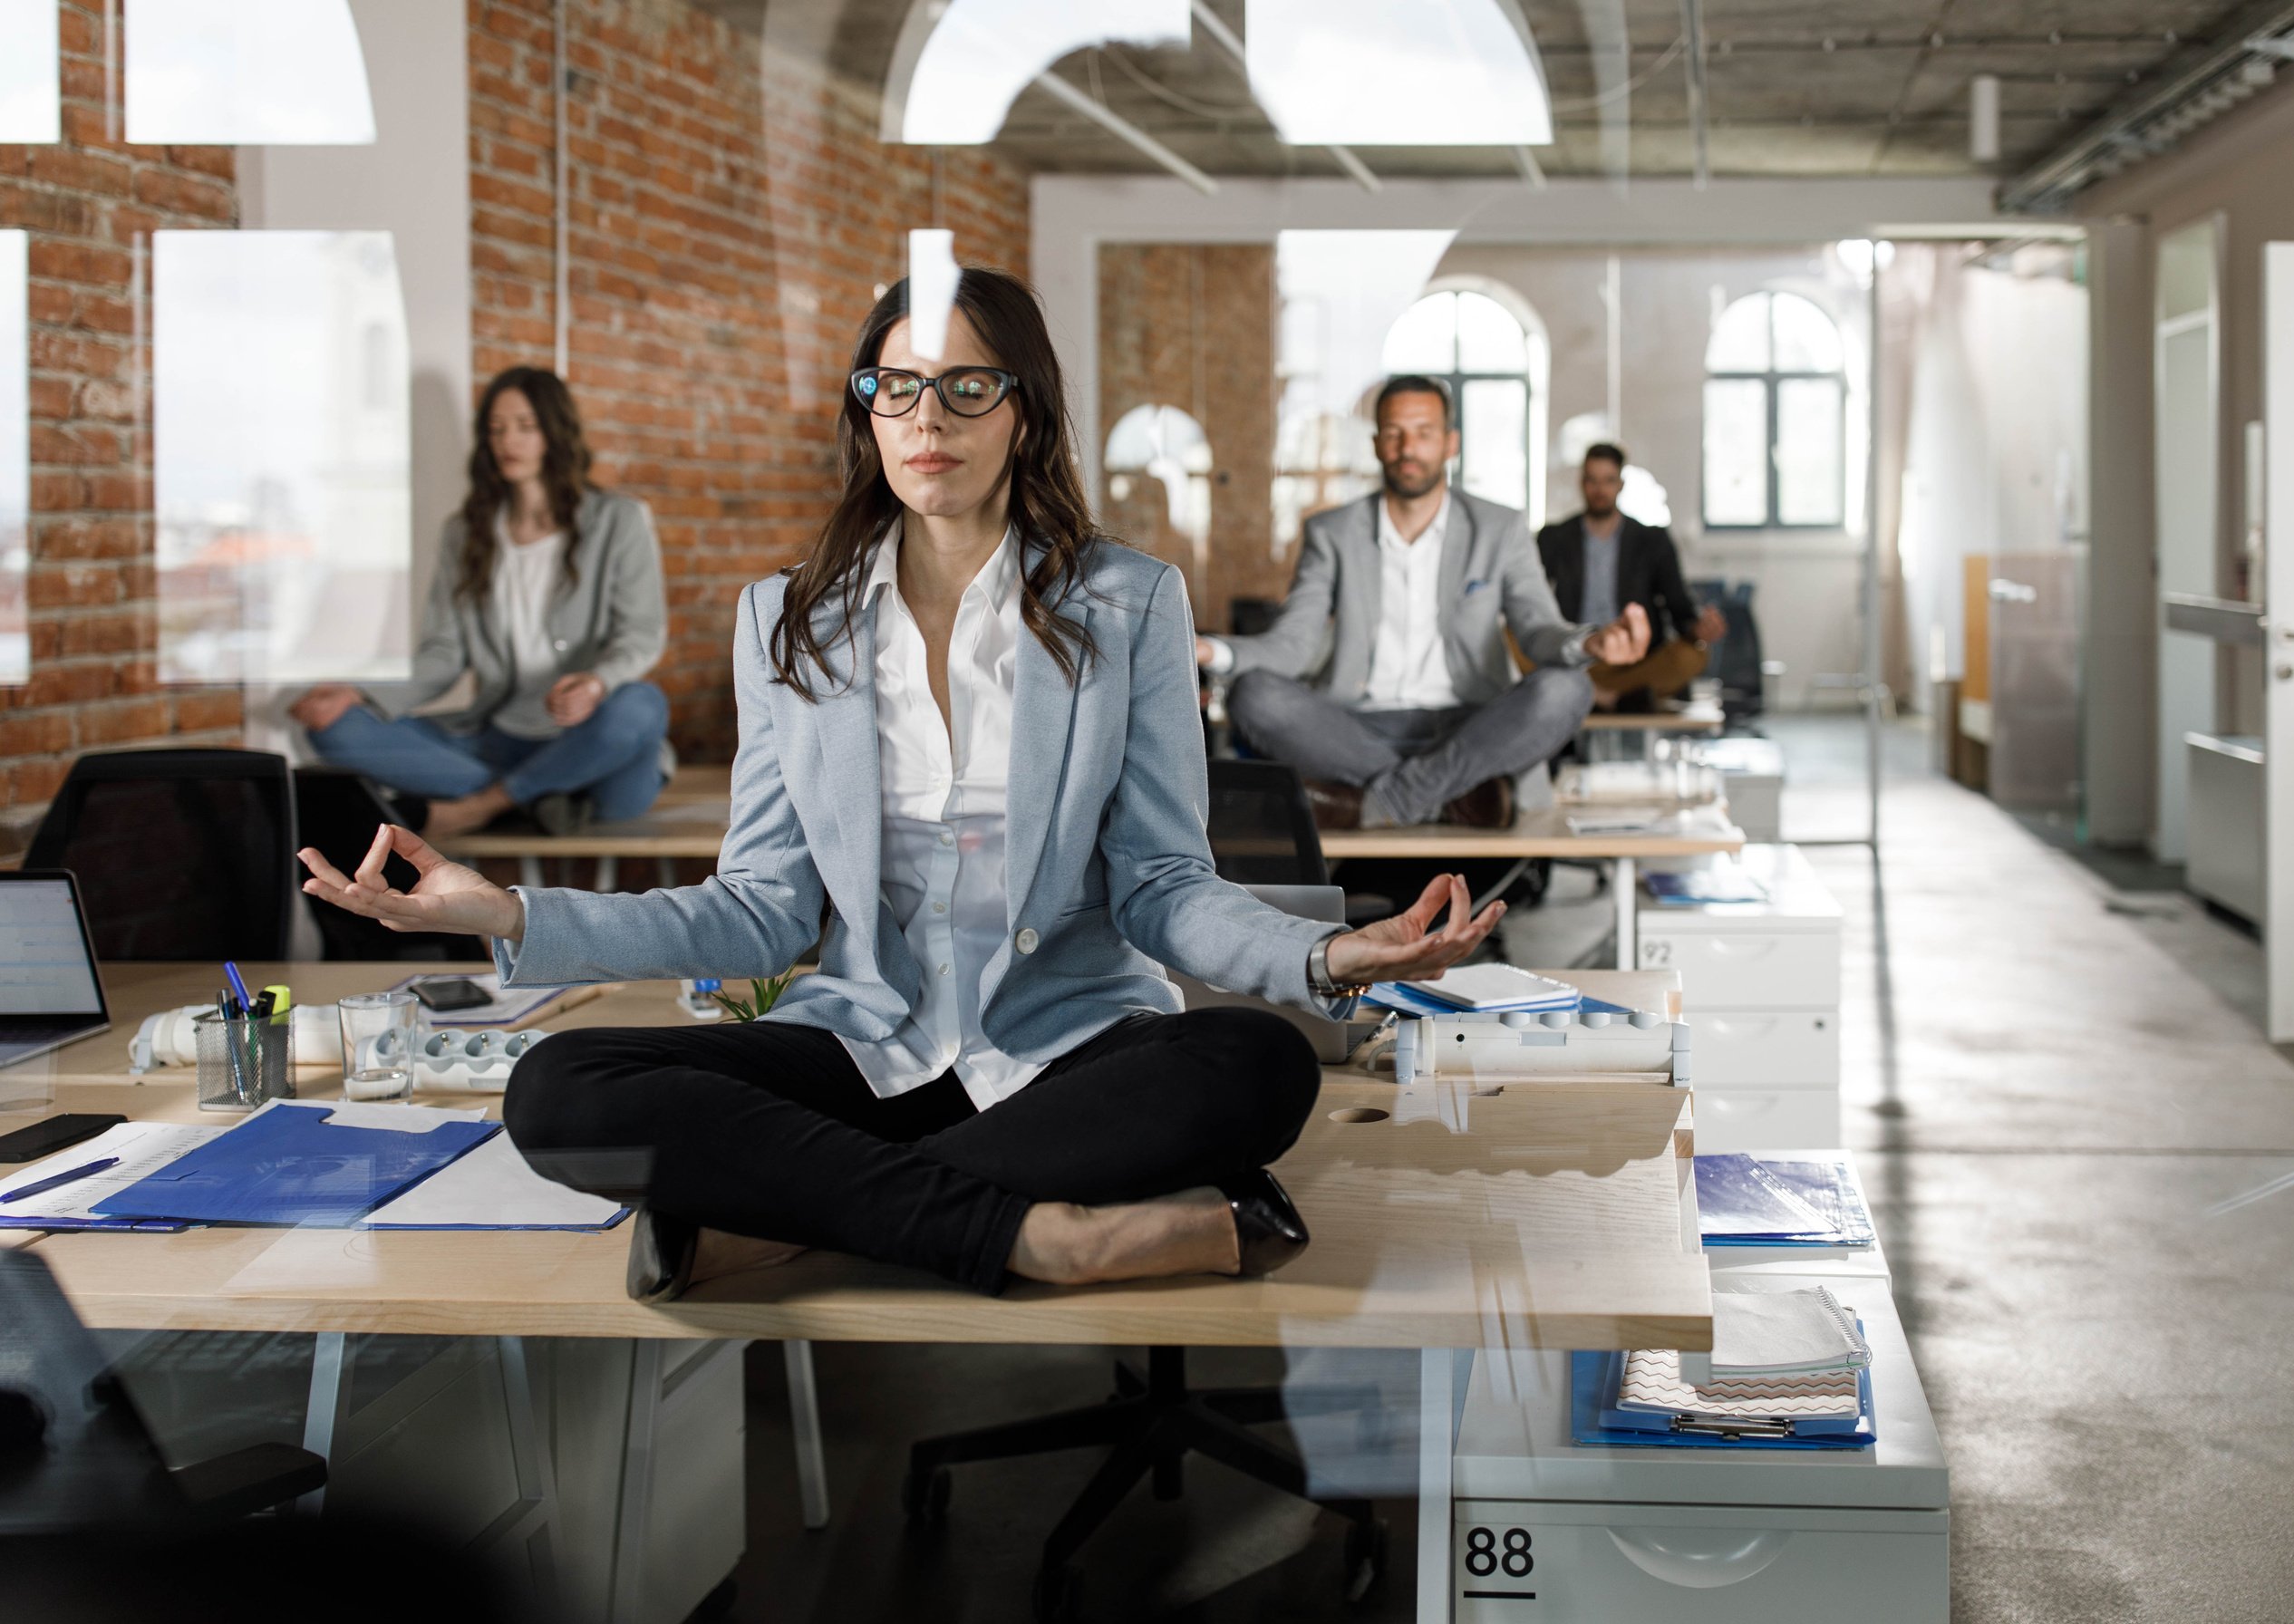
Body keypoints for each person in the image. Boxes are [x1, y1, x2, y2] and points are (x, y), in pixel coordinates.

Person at [300, 269, 1502, 1304]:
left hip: (1064, 1053)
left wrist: (1324, 960)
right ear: (866, 413)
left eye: (970, 387)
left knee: (1258, 1064)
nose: (931, 417)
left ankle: (784, 1221)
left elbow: (1163, 887)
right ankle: (1050, 1235)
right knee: (562, 1086)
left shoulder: (1128, 600)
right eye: (899, 388)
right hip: (867, 1049)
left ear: (1026, 414)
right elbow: (762, 909)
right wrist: (506, 915)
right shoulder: (788, 621)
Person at [1195, 377, 1650, 830]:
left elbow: (1537, 629)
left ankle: (1377, 803)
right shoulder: (1331, 533)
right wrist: (1211, 651)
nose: (1408, 447)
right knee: (1254, 694)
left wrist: (1589, 644)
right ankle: (1457, 796)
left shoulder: (1500, 528)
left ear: (1450, 443)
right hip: (1355, 730)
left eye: (1424, 432)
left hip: (1473, 727)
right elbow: (1292, 646)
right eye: (1394, 433)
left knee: (1567, 689)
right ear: (1377, 444)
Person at [289, 368, 671, 840]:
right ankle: (543, 796)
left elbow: (641, 634)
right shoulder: (465, 533)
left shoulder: (620, 520)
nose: (509, 440)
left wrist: (595, 683)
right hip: (498, 741)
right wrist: (363, 693)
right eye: (497, 428)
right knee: (335, 728)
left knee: (641, 704)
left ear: (556, 431)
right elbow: (444, 654)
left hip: (592, 740)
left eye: (526, 426)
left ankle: (484, 805)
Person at [1535, 443, 1724, 710]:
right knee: (1509, 641)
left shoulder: (1652, 540)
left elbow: (1677, 604)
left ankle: (1597, 694)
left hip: (1634, 663)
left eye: (1608, 481)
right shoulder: (1555, 538)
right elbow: (1531, 601)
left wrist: (1698, 628)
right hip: (1575, 657)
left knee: (1692, 656)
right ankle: (1606, 696)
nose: (1600, 490)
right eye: (1592, 481)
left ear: (1620, 484)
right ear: (1582, 483)